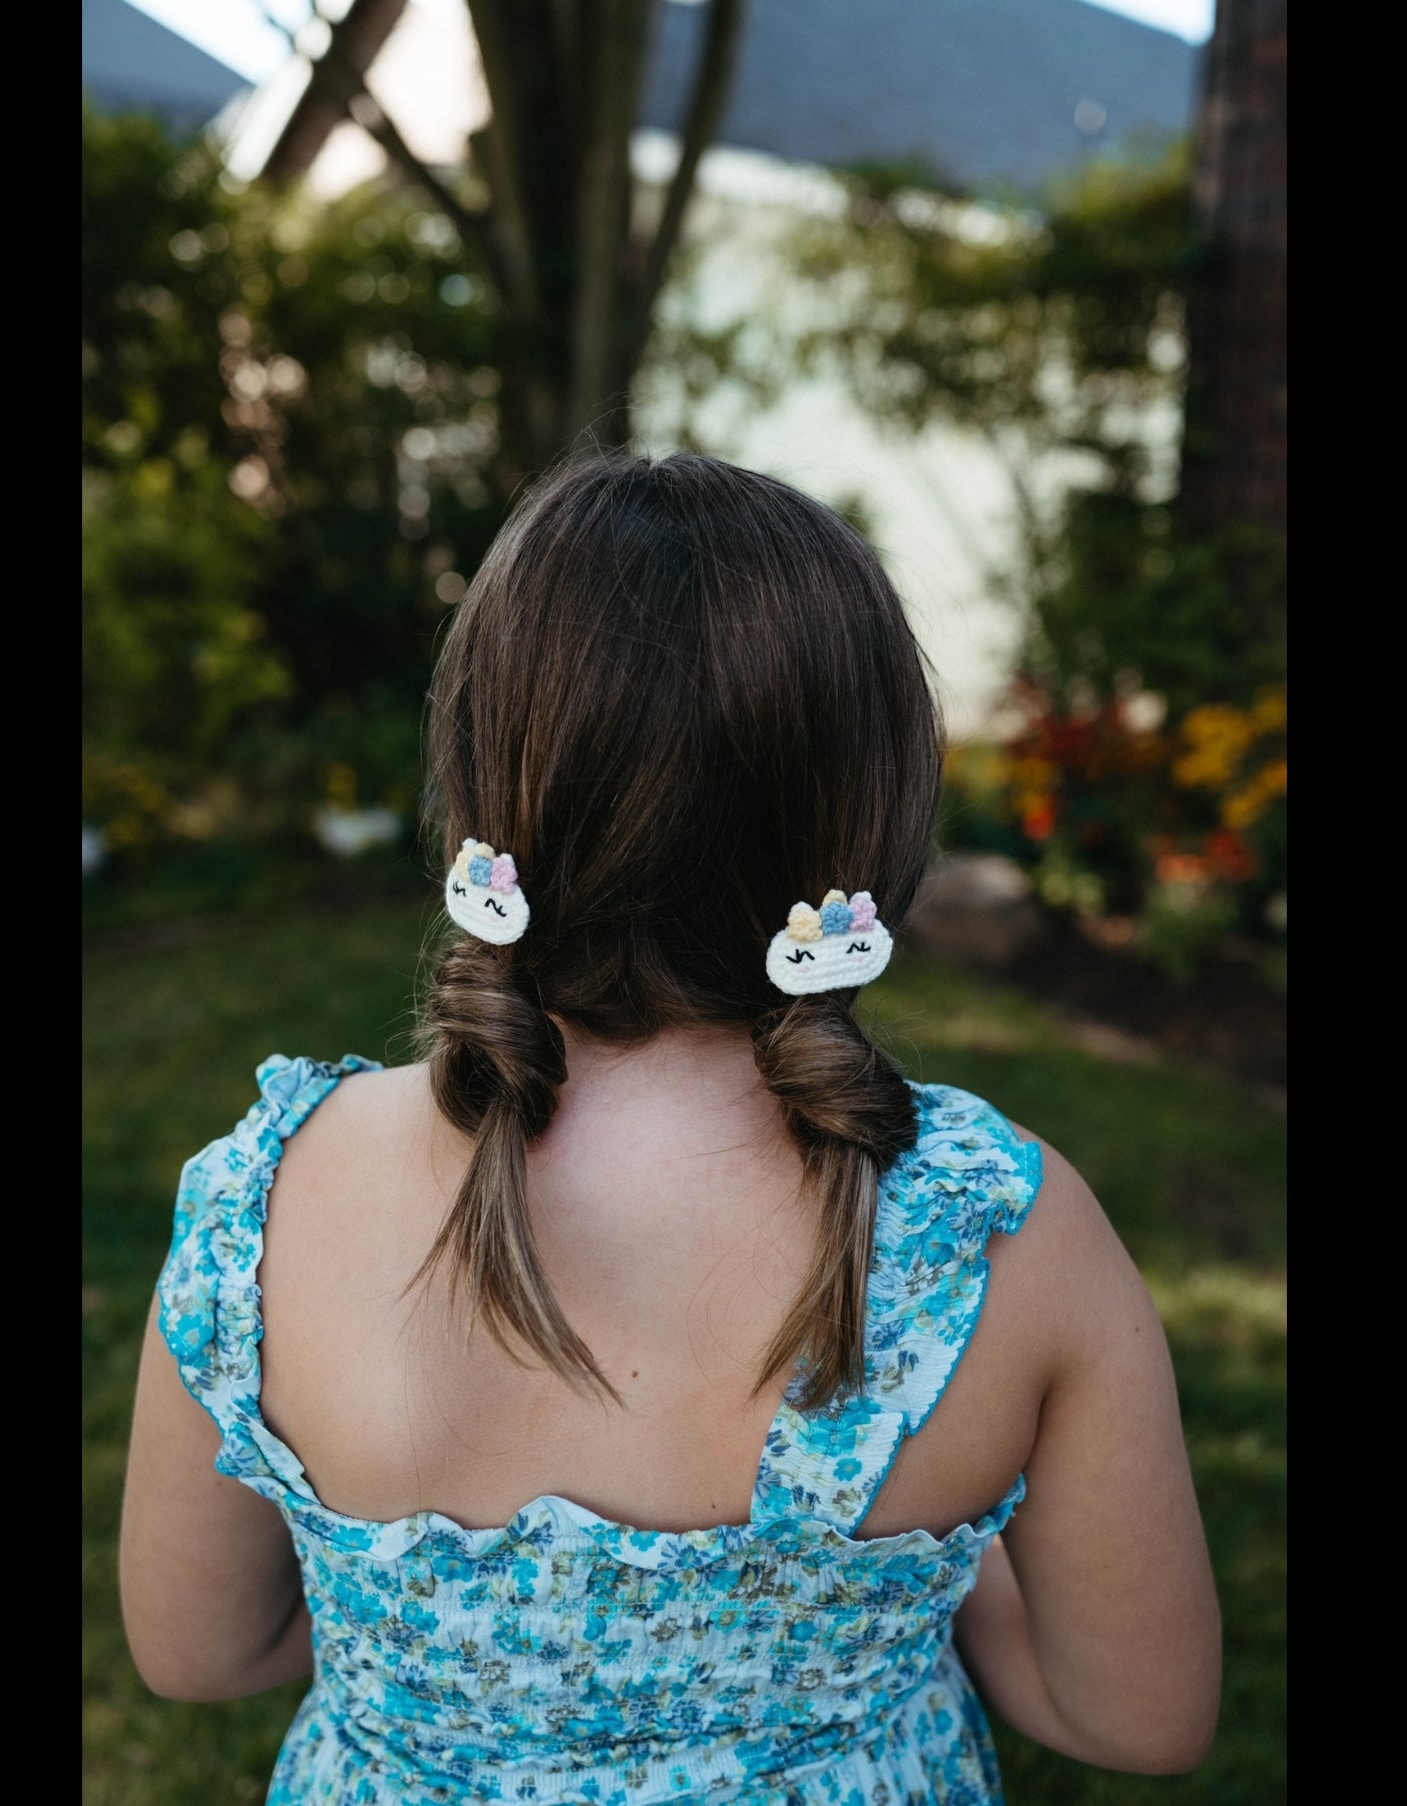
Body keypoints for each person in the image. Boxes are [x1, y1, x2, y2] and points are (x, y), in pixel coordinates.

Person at [119, 452, 1220, 1805]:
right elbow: (1137, 1713)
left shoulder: (266, 1204)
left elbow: (195, 1649)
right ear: (869, 811)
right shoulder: (1005, 1231)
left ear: (475, 781)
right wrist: (943, 1559)